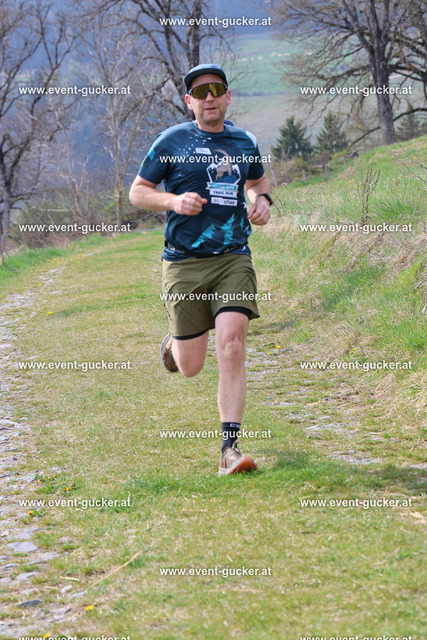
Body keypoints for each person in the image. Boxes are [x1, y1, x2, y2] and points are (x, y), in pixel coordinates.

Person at [129, 63, 272, 476]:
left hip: (233, 258)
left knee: (232, 342)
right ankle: (173, 345)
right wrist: (173, 202)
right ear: (189, 101)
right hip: (184, 263)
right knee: (191, 366)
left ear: (228, 97)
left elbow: (257, 183)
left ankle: (230, 449)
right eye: (200, 92)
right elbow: (138, 192)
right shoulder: (171, 141)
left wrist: (263, 202)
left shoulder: (244, 142)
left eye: (217, 89)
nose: (210, 97)